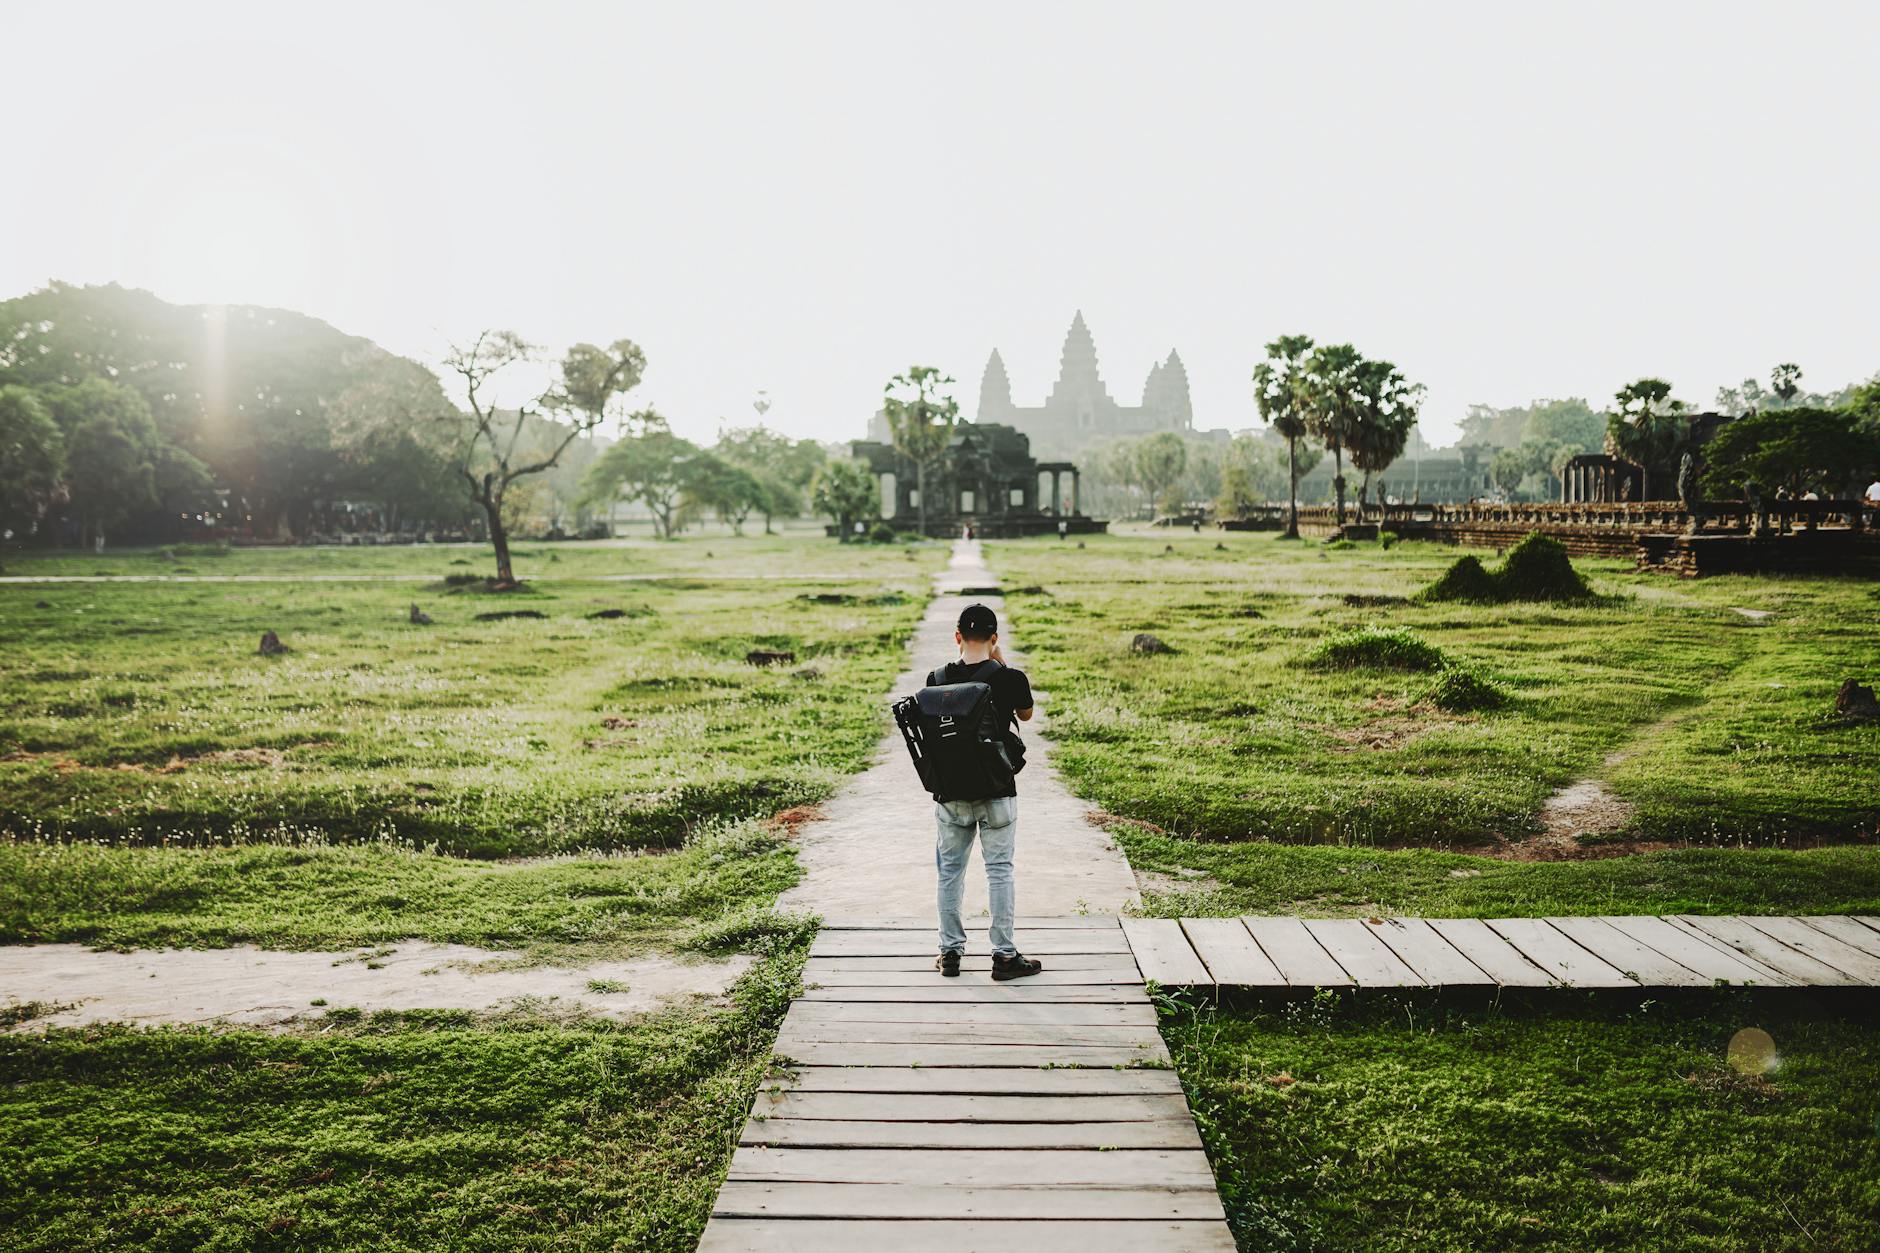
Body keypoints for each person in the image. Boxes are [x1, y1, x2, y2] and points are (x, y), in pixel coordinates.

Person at [931, 603, 1042, 981]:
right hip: (997, 790)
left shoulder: (937, 678)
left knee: (949, 873)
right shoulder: (1010, 678)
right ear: (994, 638)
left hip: (952, 793)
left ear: (957, 636)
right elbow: (1025, 715)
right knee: (999, 873)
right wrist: (1002, 663)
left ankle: (950, 953)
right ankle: (1004, 957)